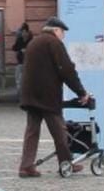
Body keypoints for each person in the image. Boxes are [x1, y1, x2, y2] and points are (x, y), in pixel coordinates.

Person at [18, 17, 91, 177]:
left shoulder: (34, 42)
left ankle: (26, 166)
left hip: (30, 94)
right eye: (63, 32)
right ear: (56, 30)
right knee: (59, 130)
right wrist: (81, 92)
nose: (63, 35)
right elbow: (66, 70)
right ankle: (66, 163)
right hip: (47, 95)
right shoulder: (54, 43)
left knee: (32, 131)